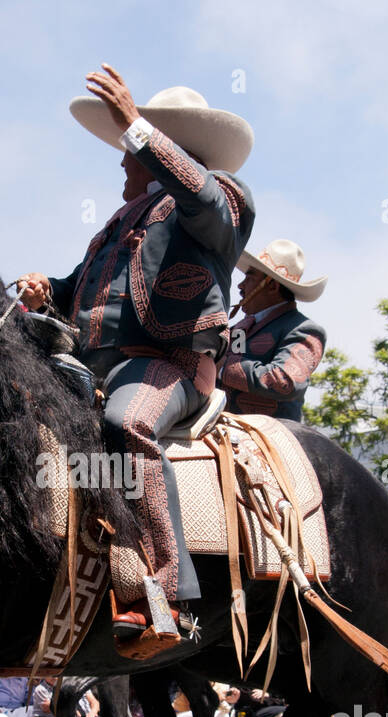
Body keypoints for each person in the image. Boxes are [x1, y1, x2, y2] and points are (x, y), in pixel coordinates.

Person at [18, 65, 255, 652]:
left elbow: (197, 194)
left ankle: (165, 600)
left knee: (129, 423)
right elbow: (78, 287)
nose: (122, 160)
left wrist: (139, 128)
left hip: (170, 364)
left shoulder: (221, 199)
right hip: (90, 367)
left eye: (130, 151)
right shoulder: (116, 223)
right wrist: (43, 289)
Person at [220, 239, 327, 420]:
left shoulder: (306, 330)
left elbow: (285, 381)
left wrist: (222, 367)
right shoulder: (240, 329)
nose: (241, 286)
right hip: (225, 427)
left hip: (272, 434)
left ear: (271, 286)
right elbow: (233, 357)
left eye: (249, 277)